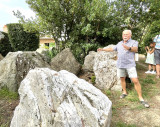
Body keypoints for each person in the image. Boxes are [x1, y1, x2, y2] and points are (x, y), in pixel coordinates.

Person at [97, 30, 149, 108]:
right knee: (122, 78)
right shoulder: (119, 43)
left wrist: (128, 48)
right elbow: (112, 49)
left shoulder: (134, 42)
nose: (125, 35)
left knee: (135, 80)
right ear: (122, 35)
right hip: (120, 64)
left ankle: (140, 98)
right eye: (124, 34)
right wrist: (103, 49)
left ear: (130, 35)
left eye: (127, 34)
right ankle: (124, 92)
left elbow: (135, 49)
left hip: (130, 65)